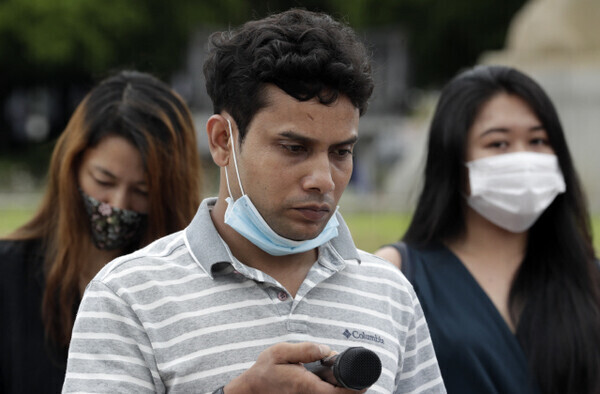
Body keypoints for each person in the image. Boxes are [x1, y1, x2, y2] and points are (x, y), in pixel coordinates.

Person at [62, 9, 446, 393]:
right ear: (222, 141)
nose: (323, 180)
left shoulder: (390, 293)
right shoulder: (128, 294)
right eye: (294, 148)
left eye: (341, 152)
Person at [376, 65, 600, 394]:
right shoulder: (398, 274)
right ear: (453, 159)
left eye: (538, 140)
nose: (523, 159)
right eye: (498, 144)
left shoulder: (589, 279)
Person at [0, 70, 202, 393]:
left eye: (143, 191)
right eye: (104, 181)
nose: (117, 204)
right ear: (72, 166)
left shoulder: (191, 288)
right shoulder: (8, 272)